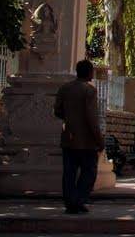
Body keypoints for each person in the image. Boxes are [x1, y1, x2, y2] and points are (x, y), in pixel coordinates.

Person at [54, 59, 105, 214]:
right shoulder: (89, 91)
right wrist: (99, 139)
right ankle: (79, 200)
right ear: (90, 72)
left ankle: (70, 202)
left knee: (69, 172)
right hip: (86, 140)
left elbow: (57, 111)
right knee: (89, 171)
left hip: (68, 137)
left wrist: (69, 120)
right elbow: (91, 118)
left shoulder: (64, 88)